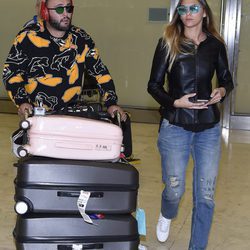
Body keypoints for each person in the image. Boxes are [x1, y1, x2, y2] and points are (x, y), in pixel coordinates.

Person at [147, 0, 234, 249]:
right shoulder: (168, 42)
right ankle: (167, 213)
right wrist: (175, 102)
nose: (188, 14)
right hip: (175, 126)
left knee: (205, 196)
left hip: (209, 127)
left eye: (194, 8)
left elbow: (227, 79)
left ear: (204, 12)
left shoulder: (215, 45)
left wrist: (221, 91)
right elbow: (153, 85)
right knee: (174, 190)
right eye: (183, 9)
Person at [2, 0, 126, 121]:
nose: (66, 14)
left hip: (71, 117)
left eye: (69, 8)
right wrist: (22, 102)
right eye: (60, 9)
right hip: (37, 117)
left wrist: (111, 103)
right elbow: (11, 74)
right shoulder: (27, 38)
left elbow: (100, 73)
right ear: (45, 11)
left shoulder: (81, 38)